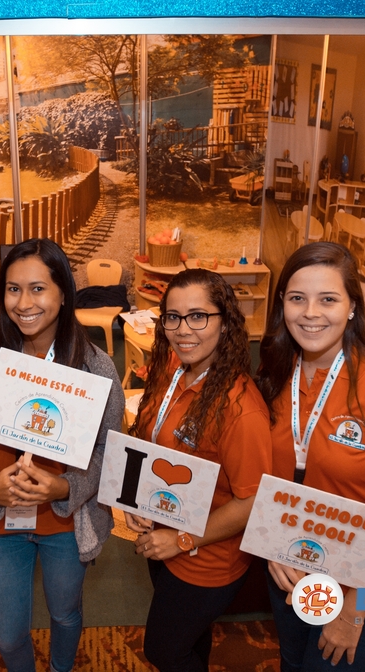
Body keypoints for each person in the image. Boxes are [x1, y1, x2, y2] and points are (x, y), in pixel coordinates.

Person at [255, 242, 365, 672]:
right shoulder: (275, 374)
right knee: (291, 663)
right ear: (282, 304)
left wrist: (354, 611)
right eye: (297, 298)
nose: (310, 313)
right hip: (291, 569)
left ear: (353, 307)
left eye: (328, 299)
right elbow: (270, 479)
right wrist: (271, 547)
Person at [0, 238, 124, 672]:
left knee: (65, 615)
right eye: (13, 289)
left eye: (38, 288)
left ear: (63, 293)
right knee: (8, 636)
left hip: (66, 524)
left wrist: (66, 487)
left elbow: (109, 449)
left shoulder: (96, 368)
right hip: (3, 522)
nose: (24, 303)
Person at [126, 268, 272, 672]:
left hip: (206, 557)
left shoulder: (241, 409)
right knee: (193, 640)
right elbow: (156, 441)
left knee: (164, 650)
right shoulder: (173, 367)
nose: (182, 330)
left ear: (225, 323)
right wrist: (137, 499)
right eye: (172, 317)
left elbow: (252, 502)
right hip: (162, 534)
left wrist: (181, 540)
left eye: (198, 316)